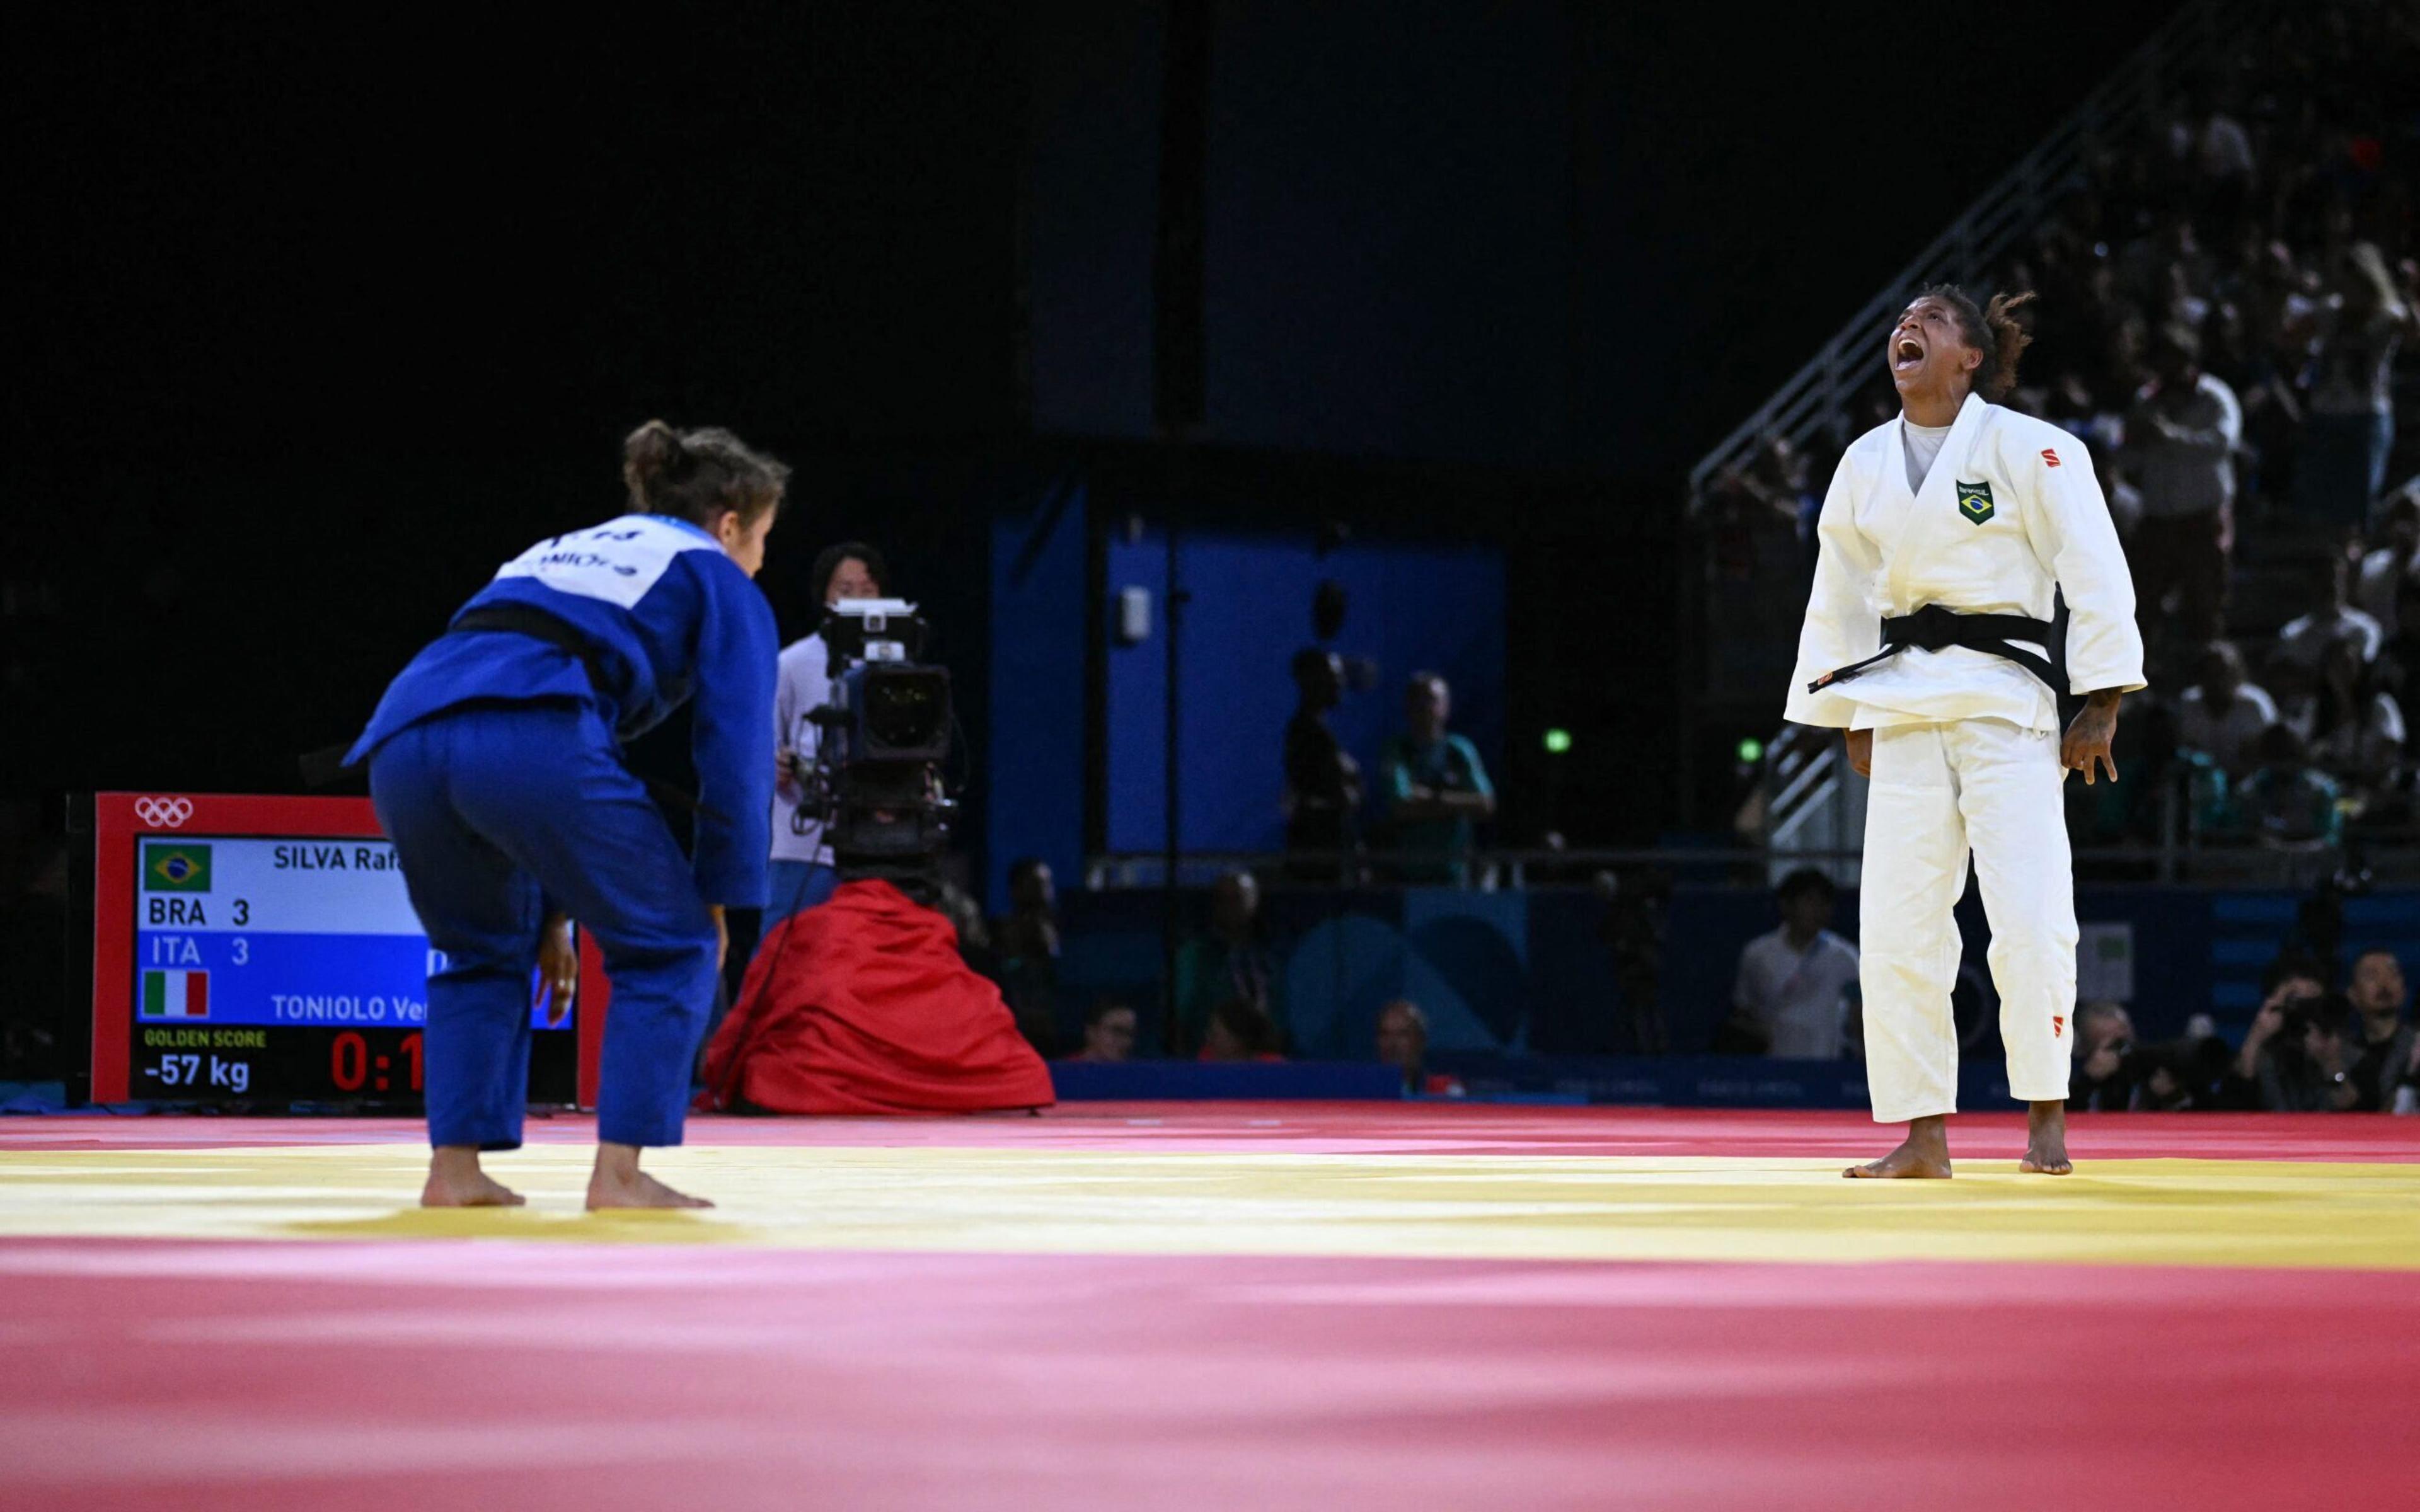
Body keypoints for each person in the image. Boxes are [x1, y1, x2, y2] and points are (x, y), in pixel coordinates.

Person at [347, 420, 785, 1209]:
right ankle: (619, 1176)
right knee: (672, 945)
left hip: (403, 734)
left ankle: (454, 1173)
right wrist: (717, 901)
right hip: (527, 732)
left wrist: (550, 916)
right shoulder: (718, 577)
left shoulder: (557, 550)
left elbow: (511, 739)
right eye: (761, 541)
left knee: (478, 950)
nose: (759, 561)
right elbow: (735, 751)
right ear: (728, 526)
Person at [1786, 285, 2145, 1178]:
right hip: (1905, 702)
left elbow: (2093, 568)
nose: (1907, 328)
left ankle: (2047, 1119)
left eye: (1931, 321)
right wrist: (1845, 713)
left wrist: (2101, 698)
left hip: (2004, 699)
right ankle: (1922, 1137)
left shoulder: (2036, 450)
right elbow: (1838, 595)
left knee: (2028, 916)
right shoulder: (1864, 463)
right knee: (1900, 929)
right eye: (1900, 321)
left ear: (1972, 357)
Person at [766, 542, 889, 924]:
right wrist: (775, 764)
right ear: (825, 598)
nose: (856, 599)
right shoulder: (791, 663)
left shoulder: (898, 667)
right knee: (784, 957)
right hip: (803, 849)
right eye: (844, 589)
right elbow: (761, 748)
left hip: (877, 846)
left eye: (866, 588)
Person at [2122, 324, 2240, 646]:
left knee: (2206, 602)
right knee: (2145, 601)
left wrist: (2171, 435)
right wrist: (2135, 442)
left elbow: (2222, 444)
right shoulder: (2146, 400)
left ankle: (2207, 663)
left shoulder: (2215, 397)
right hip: (2159, 519)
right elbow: (2131, 462)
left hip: (2202, 517)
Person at [1722, 868, 1860, 1060]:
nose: (1818, 910)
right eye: (1809, 901)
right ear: (1786, 905)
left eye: (1824, 903)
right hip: (1775, 1068)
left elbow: (1859, 1015)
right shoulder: (1757, 954)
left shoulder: (1847, 957)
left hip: (1828, 1067)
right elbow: (1744, 1011)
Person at [1377, 673, 1495, 885]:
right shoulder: (1397, 750)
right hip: (1406, 876)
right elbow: (1401, 808)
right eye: (1418, 699)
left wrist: (1432, 798)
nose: (1425, 706)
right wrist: (1460, 804)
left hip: (1455, 875)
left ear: (1446, 706)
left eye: (1432, 699)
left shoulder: (1459, 750)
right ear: (1407, 706)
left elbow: (1485, 804)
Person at [1170, 870, 1277, 1057]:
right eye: (1222, 900)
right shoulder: (1194, 956)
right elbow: (1177, 1017)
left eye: (1237, 898)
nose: (1230, 907)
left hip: (1262, 1061)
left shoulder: (1268, 956)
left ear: (1254, 902)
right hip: (1210, 1063)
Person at [1282, 648, 1362, 880]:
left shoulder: (1320, 732)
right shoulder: (1305, 733)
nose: (1339, 684)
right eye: (1332, 677)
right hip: (1319, 857)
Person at [2174, 640, 2279, 778]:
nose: (2217, 680)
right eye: (2209, 672)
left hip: (2250, 783)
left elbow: (2273, 751)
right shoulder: (2188, 704)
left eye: (2222, 672)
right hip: (2201, 783)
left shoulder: (2254, 704)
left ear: (2237, 673)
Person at [992, 857, 1062, 1053]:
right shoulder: (1005, 930)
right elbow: (1007, 969)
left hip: (1052, 1018)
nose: (1045, 891)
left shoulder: (1057, 927)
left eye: (1048, 883)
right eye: (1037, 884)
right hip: (1018, 1018)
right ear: (1018, 888)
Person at [2344, 949, 2418, 1113]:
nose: (2384, 984)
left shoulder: (2416, 1045)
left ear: (2405, 989)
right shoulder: (2343, 1053)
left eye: (2393, 974)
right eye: (2371, 976)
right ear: (2353, 994)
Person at [2067, 1002, 2136, 1112]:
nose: (2114, 1054)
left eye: (2121, 1043)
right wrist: (2087, 1080)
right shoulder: (2068, 1073)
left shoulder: (2149, 1069)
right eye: (2108, 1046)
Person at [1199, 996, 1284, 1062]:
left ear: (1239, 1039)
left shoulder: (1274, 1067)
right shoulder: (1206, 1059)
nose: (1208, 1038)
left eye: (1214, 1034)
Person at [1067, 1000, 1138, 1064]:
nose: (1126, 1041)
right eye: (1117, 1031)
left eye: (1130, 1033)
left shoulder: (1138, 1073)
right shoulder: (1064, 1071)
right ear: (1091, 1032)